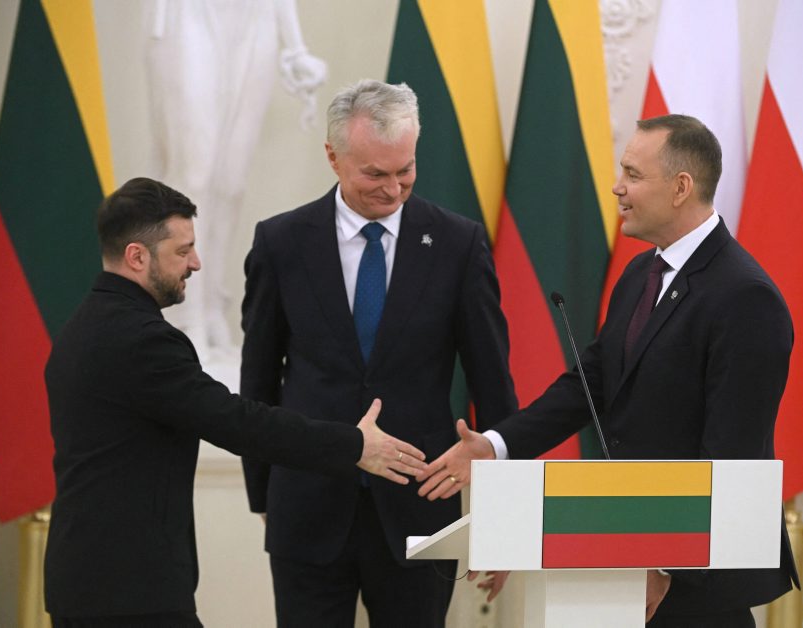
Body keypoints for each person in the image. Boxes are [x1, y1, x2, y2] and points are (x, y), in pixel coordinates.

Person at [418, 115, 800, 627]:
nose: (618, 188)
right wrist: (496, 445)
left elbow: (730, 459)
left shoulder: (745, 297)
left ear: (681, 187)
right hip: (623, 555)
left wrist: (665, 564)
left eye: (633, 175)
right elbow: (590, 385)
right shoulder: (642, 273)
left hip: (695, 585)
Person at [43, 177, 426, 627]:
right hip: (130, 590)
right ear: (137, 256)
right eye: (183, 251)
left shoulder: (80, 327)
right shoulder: (143, 341)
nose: (196, 263)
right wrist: (355, 446)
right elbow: (238, 422)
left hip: (84, 583)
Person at [239, 79, 517, 627]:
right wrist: (265, 494)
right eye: (375, 174)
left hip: (420, 511)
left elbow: (493, 383)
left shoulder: (458, 244)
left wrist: (507, 518)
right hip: (307, 505)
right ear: (333, 157)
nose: (393, 190)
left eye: (405, 170)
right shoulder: (281, 243)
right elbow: (258, 380)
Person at [146, 0, 328, 360]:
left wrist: (295, 46)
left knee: (231, 180)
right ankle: (184, 313)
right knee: (194, 175)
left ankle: (211, 307)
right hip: (192, 12)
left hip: (257, 15)